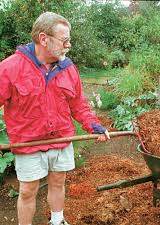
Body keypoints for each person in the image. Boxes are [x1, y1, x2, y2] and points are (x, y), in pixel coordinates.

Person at [0, 12, 110, 225]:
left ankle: (57, 220)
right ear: (44, 39)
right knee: (27, 191)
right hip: (29, 143)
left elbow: (79, 105)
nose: (68, 45)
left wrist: (93, 125)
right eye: (64, 40)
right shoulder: (11, 68)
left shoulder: (68, 68)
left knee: (58, 182)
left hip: (60, 139)